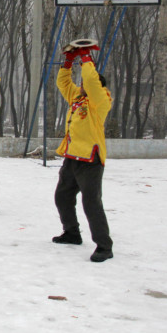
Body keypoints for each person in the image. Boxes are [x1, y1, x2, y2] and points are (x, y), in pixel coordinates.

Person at [52, 42, 114, 263]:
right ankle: (72, 233)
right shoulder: (77, 98)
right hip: (72, 158)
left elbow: (90, 80)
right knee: (62, 197)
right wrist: (68, 61)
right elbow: (63, 82)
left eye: (86, 84)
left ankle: (104, 246)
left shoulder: (101, 101)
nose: (81, 85)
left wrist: (86, 57)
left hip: (90, 159)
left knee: (91, 203)